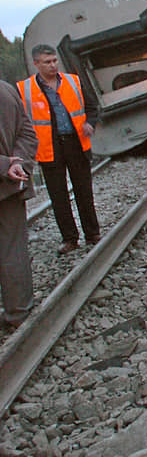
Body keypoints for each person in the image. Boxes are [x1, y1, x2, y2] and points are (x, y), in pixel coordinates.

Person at [17, 44, 101, 254]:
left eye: (54, 60)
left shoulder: (73, 81)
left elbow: (92, 106)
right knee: (58, 196)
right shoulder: (24, 89)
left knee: (84, 191)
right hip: (48, 148)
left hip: (76, 143)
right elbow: (20, 121)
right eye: (47, 62)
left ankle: (92, 234)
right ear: (36, 64)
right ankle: (70, 238)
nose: (53, 65)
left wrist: (90, 122)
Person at [1, 80, 38, 328]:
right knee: (13, 249)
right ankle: (18, 312)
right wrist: (18, 163)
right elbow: (28, 133)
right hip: (10, 187)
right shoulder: (5, 89)